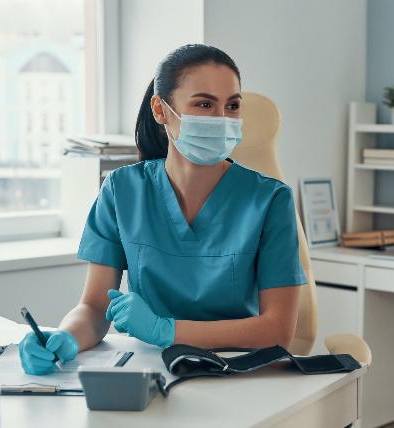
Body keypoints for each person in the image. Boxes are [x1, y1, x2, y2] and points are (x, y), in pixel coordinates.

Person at [18, 44, 307, 375]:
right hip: (149, 369)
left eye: (232, 106)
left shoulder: (270, 199)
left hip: (238, 369)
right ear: (160, 110)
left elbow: (278, 330)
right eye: (204, 104)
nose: (222, 119)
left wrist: (166, 330)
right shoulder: (122, 190)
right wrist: (64, 339)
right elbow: (95, 308)